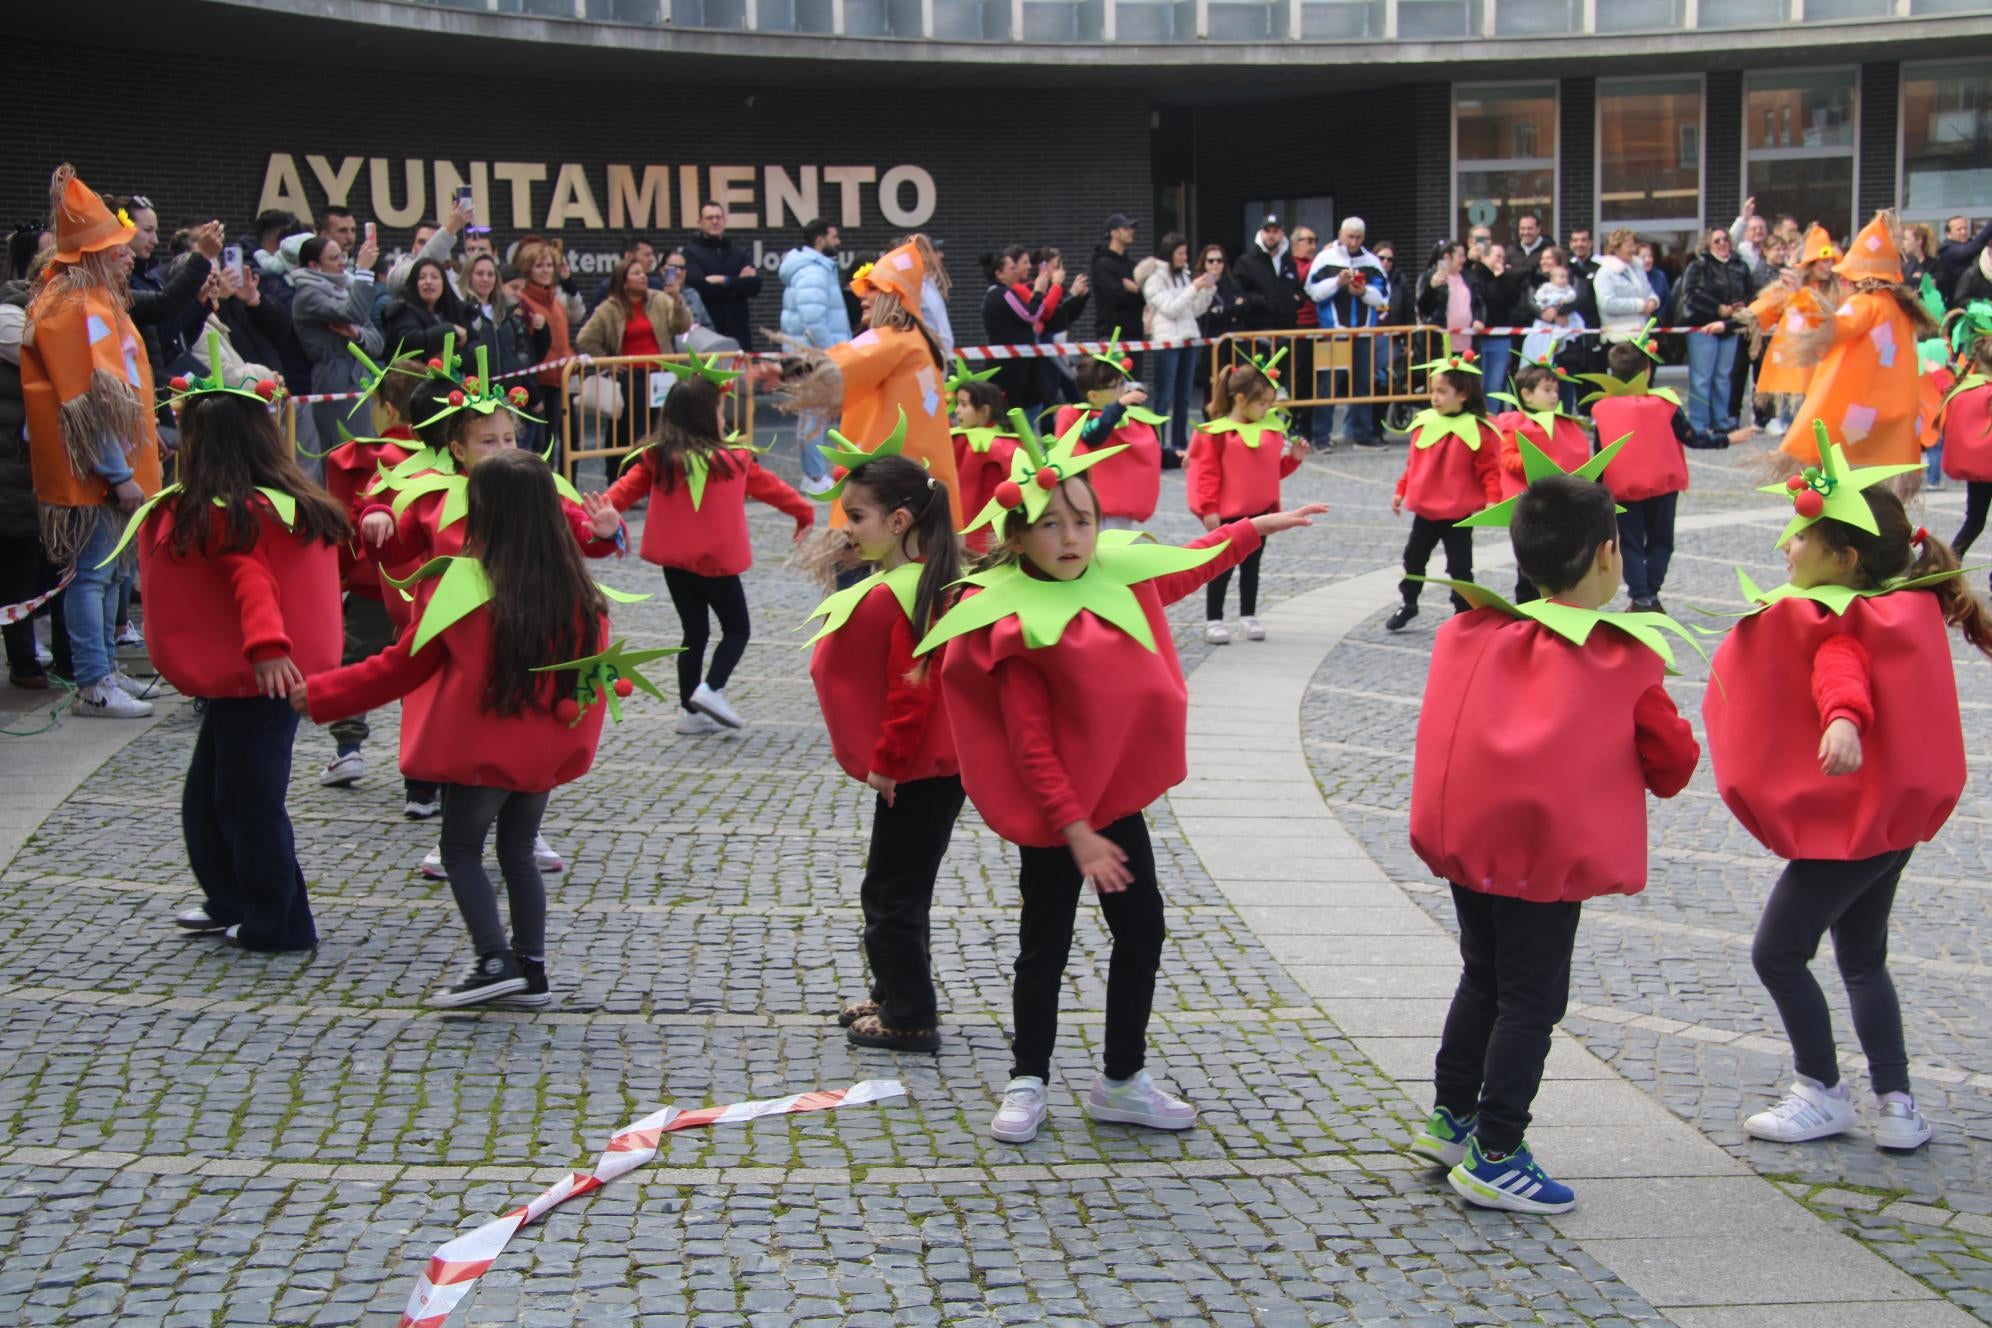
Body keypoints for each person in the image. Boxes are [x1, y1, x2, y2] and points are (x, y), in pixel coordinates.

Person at [917, 414, 1328, 1145]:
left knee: (1142, 934)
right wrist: (1075, 832)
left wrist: (1258, 525)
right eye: (1051, 524)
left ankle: (1122, 1079)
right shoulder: (1013, 620)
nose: (1072, 536)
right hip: (1059, 819)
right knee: (1043, 944)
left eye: (1084, 519)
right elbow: (1030, 744)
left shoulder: (1114, 581)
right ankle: (1028, 1077)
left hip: (1113, 805)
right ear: (1017, 538)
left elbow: (1188, 562)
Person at [1407, 470, 1699, 1214]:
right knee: (1533, 998)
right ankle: (1499, 1152)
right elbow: (1672, 767)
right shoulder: (1618, 656)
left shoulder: (1472, 628)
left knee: (1483, 975)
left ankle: (1452, 1118)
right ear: (1608, 554)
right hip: (1543, 857)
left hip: (1469, 845)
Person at [1704, 446, 1992, 1151]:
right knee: (1862, 957)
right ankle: (1897, 1105)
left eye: (1801, 536)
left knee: (1777, 953)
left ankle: (1820, 1088)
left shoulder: (1841, 620)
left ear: (1844, 560)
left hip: (1856, 825)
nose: (1788, 545)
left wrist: (1842, 722)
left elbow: (1841, 670)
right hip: (1894, 822)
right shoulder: (1901, 606)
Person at [304, 449, 619, 1007]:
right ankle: (532, 971)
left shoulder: (461, 583)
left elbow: (402, 665)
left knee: (460, 849)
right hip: (541, 753)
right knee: (519, 854)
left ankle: (493, 959)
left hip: (481, 750)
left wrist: (323, 694)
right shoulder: (575, 587)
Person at [126, 379, 347, 952]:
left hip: (263, 678)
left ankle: (282, 922)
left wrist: (268, 646)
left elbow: (252, 578)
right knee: (209, 797)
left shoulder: (239, 511)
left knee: (249, 802)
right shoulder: (268, 502)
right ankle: (231, 899)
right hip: (247, 678)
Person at [803, 453, 965, 1052]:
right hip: (923, 769)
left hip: (918, 771)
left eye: (858, 515)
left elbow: (913, 686)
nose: (847, 526)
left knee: (891, 894)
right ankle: (894, 991)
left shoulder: (914, 587)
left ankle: (910, 1016)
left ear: (899, 521)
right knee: (896, 885)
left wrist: (888, 763)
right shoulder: (915, 578)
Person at [21, 166, 163, 717]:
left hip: (106, 468)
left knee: (104, 578)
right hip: (99, 472)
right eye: (115, 246)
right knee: (95, 578)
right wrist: (118, 473)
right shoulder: (76, 306)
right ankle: (95, 681)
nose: (124, 255)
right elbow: (90, 401)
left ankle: (101, 673)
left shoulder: (84, 301)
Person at [605, 367, 812, 733]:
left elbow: (619, 493)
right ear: (707, 416)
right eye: (719, 411)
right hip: (716, 564)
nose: (723, 417)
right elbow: (774, 489)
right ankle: (712, 688)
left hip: (674, 563)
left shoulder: (659, 458)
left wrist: (595, 515)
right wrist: (804, 512)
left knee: (694, 633)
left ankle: (691, 712)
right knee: (737, 629)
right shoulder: (734, 459)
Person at [1780, 213, 1939, 476]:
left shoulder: (1866, 303)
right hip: (1892, 414)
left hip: (1858, 412)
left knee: (1847, 483)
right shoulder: (1899, 308)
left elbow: (1830, 327)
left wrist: (1800, 297)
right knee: (1880, 489)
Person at [1585, 341, 1717, 614]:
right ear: (1646, 371)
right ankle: (1651, 593)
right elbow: (1690, 436)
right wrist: (1727, 438)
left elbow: (1599, 453)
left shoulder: (1602, 408)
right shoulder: (1665, 402)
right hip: (1663, 484)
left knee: (1629, 544)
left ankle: (1641, 596)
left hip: (1621, 486)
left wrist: (1596, 489)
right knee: (1661, 541)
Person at [1186, 358, 1305, 643]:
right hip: (1228, 514)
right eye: (1262, 403)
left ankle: (1248, 614)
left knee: (1253, 565)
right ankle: (1213, 619)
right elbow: (1207, 474)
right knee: (1222, 567)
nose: (1267, 409)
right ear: (1241, 399)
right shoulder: (1218, 433)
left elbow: (1269, 472)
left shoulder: (1266, 430)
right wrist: (1209, 509)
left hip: (1260, 512)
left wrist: (1293, 460)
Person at [1386, 351, 1503, 631]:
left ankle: (1463, 611)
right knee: (1413, 558)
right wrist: (1401, 490)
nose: (1435, 397)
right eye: (1433, 391)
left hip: (1458, 513)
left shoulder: (1476, 429)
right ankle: (1409, 602)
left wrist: (1493, 499)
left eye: (1442, 391)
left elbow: (1489, 469)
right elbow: (1413, 464)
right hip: (1426, 510)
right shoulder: (1426, 423)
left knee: (1460, 566)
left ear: (1462, 395)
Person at [575, 255, 693, 479]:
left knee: (661, 428)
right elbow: (585, 339)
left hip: (661, 375)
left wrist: (677, 301)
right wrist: (610, 361)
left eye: (643, 273)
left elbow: (681, 326)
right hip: (631, 377)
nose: (643, 277)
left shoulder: (659, 299)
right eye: (636, 273)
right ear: (623, 280)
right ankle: (621, 477)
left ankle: (657, 478)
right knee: (628, 431)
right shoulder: (610, 308)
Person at [1489, 363, 1587, 603]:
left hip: (1558, 507)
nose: (1554, 396)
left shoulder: (1563, 424)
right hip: (1530, 510)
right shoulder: (1515, 426)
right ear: (1527, 395)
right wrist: (1535, 461)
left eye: (1555, 390)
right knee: (1528, 567)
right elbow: (1508, 458)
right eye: (1547, 390)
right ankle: (1528, 609)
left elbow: (1578, 454)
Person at [290, 233, 383, 479]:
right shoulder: (308, 295)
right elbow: (352, 312)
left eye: (342, 256)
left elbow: (376, 343)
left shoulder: (345, 290)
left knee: (370, 450)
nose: (342, 262)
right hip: (334, 376)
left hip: (362, 376)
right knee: (344, 451)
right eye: (333, 258)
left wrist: (356, 334)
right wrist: (363, 271)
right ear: (313, 265)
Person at [1055, 340, 1166, 532]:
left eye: (1121, 383)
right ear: (1094, 396)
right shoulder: (1082, 417)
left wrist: (1173, 456)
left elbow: (1143, 449)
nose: (1121, 390)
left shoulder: (1123, 416)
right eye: (1114, 387)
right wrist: (1120, 405)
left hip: (1121, 505)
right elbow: (1094, 435)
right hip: (1097, 506)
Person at [1743, 226, 1844, 437]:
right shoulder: (1789, 287)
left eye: (1831, 261)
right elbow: (1767, 305)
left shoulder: (1836, 291)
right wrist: (1735, 320)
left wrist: (1800, 294)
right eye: (1824, 261)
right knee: (1795, 421)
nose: (1829, 266)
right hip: (1793, 366)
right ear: (1811, 263)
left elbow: (1827, 318)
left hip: (1822, 365)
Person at [779, 219, 854, 494]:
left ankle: (813, 473)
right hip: (817, 357)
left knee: (813, 416)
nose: (839, 241)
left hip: (810, 355)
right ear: (821, 240)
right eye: (835, 235)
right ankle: (813, 474)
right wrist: (834, 351)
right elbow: (813, 319)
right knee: (814, 417)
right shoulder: (814, 272)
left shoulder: (812, 270)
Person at [1305, 217, 1392, 450]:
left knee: (1363, 385)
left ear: (1363, 238)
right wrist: (1337, 282)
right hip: (1333, 332)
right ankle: (1321, 437)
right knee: (1327, 386)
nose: (1353, 242)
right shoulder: (1325, 259)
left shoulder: (1371, 261)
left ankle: (1361, 434)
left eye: (1358, 237)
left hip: (1363, 333)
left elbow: (1383, 297)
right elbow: (1312, 291)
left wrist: (1363, 292)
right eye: (1349, 236)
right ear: (1340, 234)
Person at [1139, 233, 1216, 464]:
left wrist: (1207, 290)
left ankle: (1181, 444)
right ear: (1170, 254)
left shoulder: (1184, 275)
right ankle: (1158, 445)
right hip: (1167, 341)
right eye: (1180, 253)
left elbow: (1194, 310)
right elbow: (1170, 308)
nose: (1185, 257)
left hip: (1188, 338)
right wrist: (1193, 287)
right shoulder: (1155, 279)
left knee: (1183, 396)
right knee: (1165, 395)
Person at [1676, 228, 1752, 441]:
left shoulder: (1740, 266)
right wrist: (1716, 308)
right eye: (1717, 240)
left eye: (1725, 239)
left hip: (1729, 327)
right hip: (1703, 327)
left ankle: (1721, 421)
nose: (1722, 243)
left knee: (1723, 377)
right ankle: (1699, 424)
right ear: (1708, 244)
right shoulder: (1698, 266)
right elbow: (1690, 296)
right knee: (1701, 378)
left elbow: (1749, 293)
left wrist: (1739, 307)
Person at [512, 239, 575, 430]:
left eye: (549, 265)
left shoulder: (556, 303)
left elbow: (563, 341)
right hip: (536, 383)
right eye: (539, 266)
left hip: (559, 380)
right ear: (527, 269)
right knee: (539, 442)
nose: (546, 270)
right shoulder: (523, 301)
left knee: (556, 438)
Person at [682, 201, 763, 349]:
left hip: (739, 332)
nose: (715, 221)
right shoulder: (691, 253)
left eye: (718, 217)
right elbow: (702, 288)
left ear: (725, 221)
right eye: (709, 218)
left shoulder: (738, 252)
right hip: (708, 333)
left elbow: (755, 286)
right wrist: (738, 283)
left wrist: (723, 280)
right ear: (700, 222)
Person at [1941, 328, 1992, 554]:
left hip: (1979, 471)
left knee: (1973, 523)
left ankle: (1948, 570)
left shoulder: (1966, 389)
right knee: (1974, 523)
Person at [381, 257, 469, 360]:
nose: (428, 282)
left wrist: (456, 359)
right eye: (422, 278)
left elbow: (474, 343)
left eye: (434, 277)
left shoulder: (453, 309)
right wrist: (450, 329)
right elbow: (410, 341)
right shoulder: (403, 310)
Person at [1233, 216, 1303, 334]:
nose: (1271, 235)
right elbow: (1237, 292)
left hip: (1287, 331)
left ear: (1282, 233)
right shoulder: (1246, 262)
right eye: (1267, 231)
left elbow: (1298, 290)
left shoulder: (1289, 262)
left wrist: (1295, 300)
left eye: (1275, 231)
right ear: (1260, 233)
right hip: (1257, 332)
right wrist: (1259, 300)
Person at [1090, 213, 1145, 354]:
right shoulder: (1103, 264)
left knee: (1135, 377)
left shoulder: (1132, 265)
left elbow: (1144, 296)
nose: (1132, 231)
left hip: (1135, 334)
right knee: (1114, 376)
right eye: (1126, 228)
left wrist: (1134, 289)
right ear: (1114, 233)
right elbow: (1116, 296)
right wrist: (1134, 290)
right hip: (1112, 336)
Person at [1593, 228, 1659, 345]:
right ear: (1616, 248)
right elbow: (1607, 304)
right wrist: (1640, 305)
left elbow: (1648, 291)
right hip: (1618, 338)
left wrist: (1653, 301)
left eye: (1634, 245)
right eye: (1628, 246)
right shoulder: (1605, 273)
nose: (1633, 250)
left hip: (1642, 335)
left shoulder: (1638, 269)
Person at [1416, 240, 1486, 345]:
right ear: (1447, 257)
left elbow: (1479, 303)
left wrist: (1479, 319)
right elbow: (1423, 308)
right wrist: (1431, 288)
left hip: (1467, 343)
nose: (1464, 260)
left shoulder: (1468, 277)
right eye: (1460, 256)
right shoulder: (1428, 277)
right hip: (1440, 344)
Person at [1936, 214, 1992, 309]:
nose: (1964, 232)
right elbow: (1968, 251)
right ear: (1948, 234)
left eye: (1965, 228)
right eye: (1959, 229)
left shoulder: (1973, 246)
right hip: (1959, 310)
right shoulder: (1947, 250)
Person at [1639, 243, 1672, 316]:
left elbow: (1667, 300)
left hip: (1656, 322)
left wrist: (1659, 318)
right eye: (1643, 257)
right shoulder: (1632, 277)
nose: (1647, 260)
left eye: (1650, 256)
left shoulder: (1660, 276)